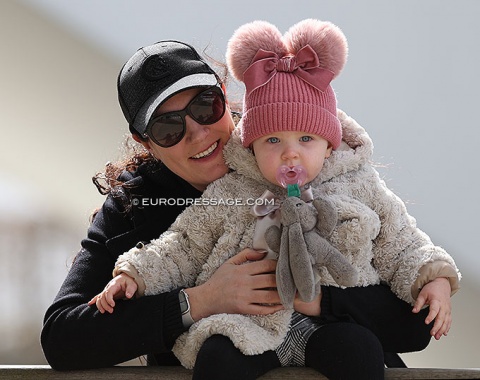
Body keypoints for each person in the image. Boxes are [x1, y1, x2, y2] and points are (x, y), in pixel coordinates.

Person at [89, 20, 460, 380]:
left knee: (360, 350)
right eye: (272, 141)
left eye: (306, 139)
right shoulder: (232, 190)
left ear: (330, 142)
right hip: (249, 328)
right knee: (218, 356)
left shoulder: (359, 184)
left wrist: (434, 278)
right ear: (251, 144)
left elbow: (402, 241)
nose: (290, 154)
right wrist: (134, 273)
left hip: (328, 327)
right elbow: (182, 245)